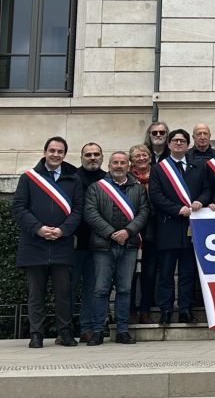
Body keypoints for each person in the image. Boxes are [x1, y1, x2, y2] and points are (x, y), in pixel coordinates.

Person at [12, 136, 84, 348]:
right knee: (36, 294)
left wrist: (63, 230)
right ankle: (36, 334)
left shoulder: (74, 179)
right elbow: (19, 208)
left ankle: (65, 333)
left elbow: (78, 210)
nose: (55, 155)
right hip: (34, 244)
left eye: (60, 151)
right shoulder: (28, 178)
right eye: (52, 150)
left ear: (64, 154)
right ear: (45, 152)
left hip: (62, 244)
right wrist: (39, 229)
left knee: (64, 293)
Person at [83, 151, 150, 345]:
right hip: (103, 246)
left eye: (122, 163)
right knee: (100, 289)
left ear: (128, 166)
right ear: (109, 166)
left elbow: (144, 213)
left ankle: (122, 330)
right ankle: (97, 331)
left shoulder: (138, 189)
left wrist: (127, 232)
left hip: (129, 245)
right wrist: (112, 233)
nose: (119, 166)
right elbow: (90, 213)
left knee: (125, 289)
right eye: (115, 163)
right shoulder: (96, 188)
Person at [148, 129, 211, 325]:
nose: (178, 144)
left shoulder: (198, 166)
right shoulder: (159, 168)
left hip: (193, 228)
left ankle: (185, 309)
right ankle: (166, 310)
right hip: (169, 226)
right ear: (168, 144)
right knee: (166, 273)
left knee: (187, 272)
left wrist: (200, 201)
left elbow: (208, 190)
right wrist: (177, 209)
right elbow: (156, 196)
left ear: (187, 145)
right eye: (175, 141)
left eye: (182, 141)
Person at [73, 143, 105, 343]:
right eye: (88, 155)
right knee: (69, 287)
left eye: (96, 154)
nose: (92, 158)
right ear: (81, 157)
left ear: (102, 157)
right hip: (74, 242)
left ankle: (90, 328)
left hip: (100, 243)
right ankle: (65, 330)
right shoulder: (72, 178)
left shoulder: (108, 179)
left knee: (94, 288)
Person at [128, 145, 155, 325]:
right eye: (137, 156)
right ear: (131, 160)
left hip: (153, 230)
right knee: (129, 274)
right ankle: (130, 310)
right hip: (131, 229)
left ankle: (146, 309)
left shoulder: (159, 174)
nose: (141, 158)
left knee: (149, 272)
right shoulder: (127, 178)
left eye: (144, 154)